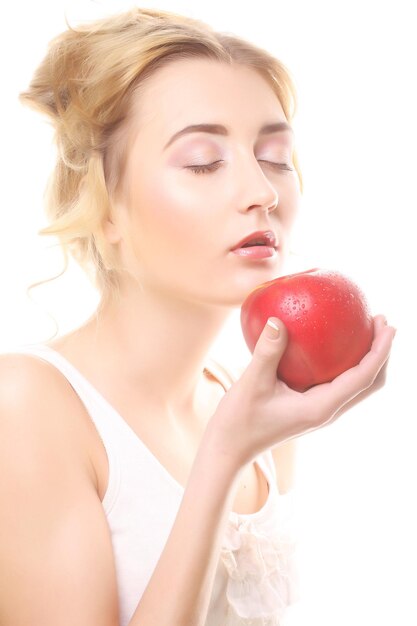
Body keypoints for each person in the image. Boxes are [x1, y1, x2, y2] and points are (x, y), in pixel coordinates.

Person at [0, 7, 395, 626]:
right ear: (103, 209)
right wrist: (223, 457)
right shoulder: (25, 405)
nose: (262, 192)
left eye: (274, 156)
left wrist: (241, 440)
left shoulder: (252, 407)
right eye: (204, 161)